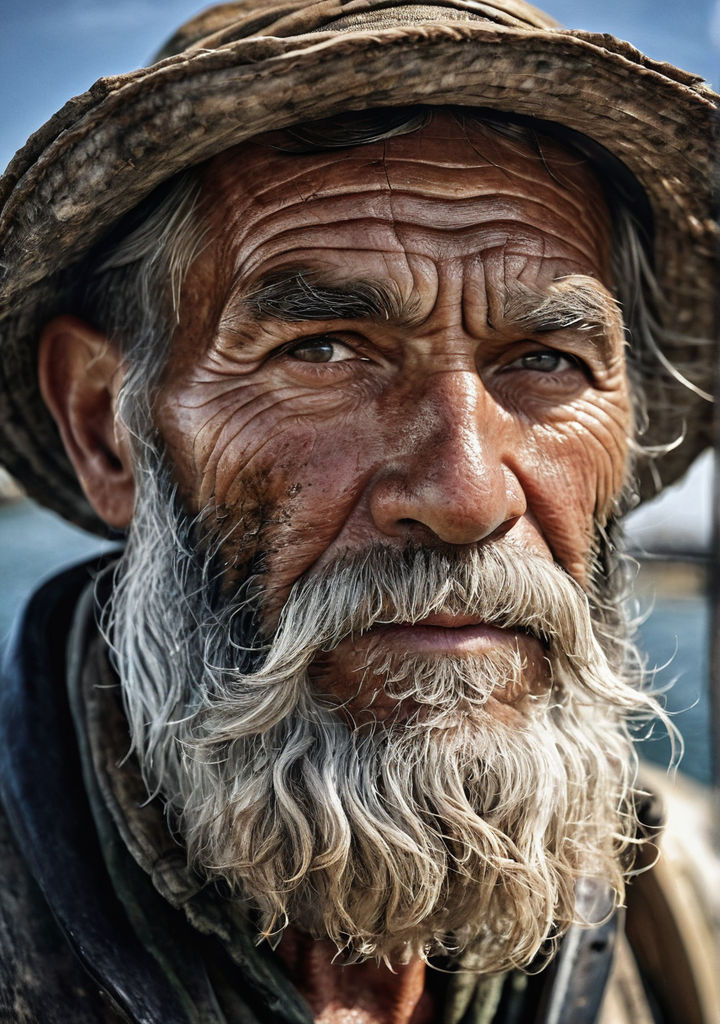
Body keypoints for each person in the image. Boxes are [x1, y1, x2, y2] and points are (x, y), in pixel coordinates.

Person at [0, 1, 718, 1021]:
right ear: (105, 426)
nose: (466, 493)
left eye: (547, 361)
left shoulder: (687, 896)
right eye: (325, 350)